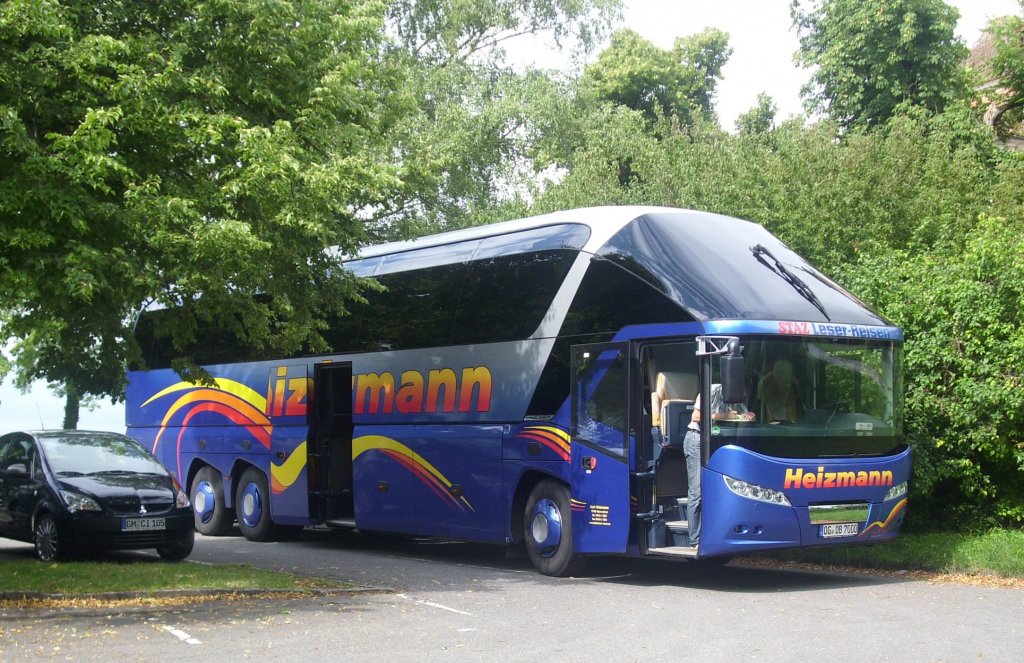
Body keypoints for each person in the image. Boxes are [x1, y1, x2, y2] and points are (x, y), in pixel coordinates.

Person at [682, 384, 754, 549]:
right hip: (697, 441)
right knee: (697, 491)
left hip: (718, 443)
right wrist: (723, 415)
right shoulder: (711, 390)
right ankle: (695, 540)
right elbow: (696, 416)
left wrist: (749, 415)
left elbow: (742, 414)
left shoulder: (737, 397)